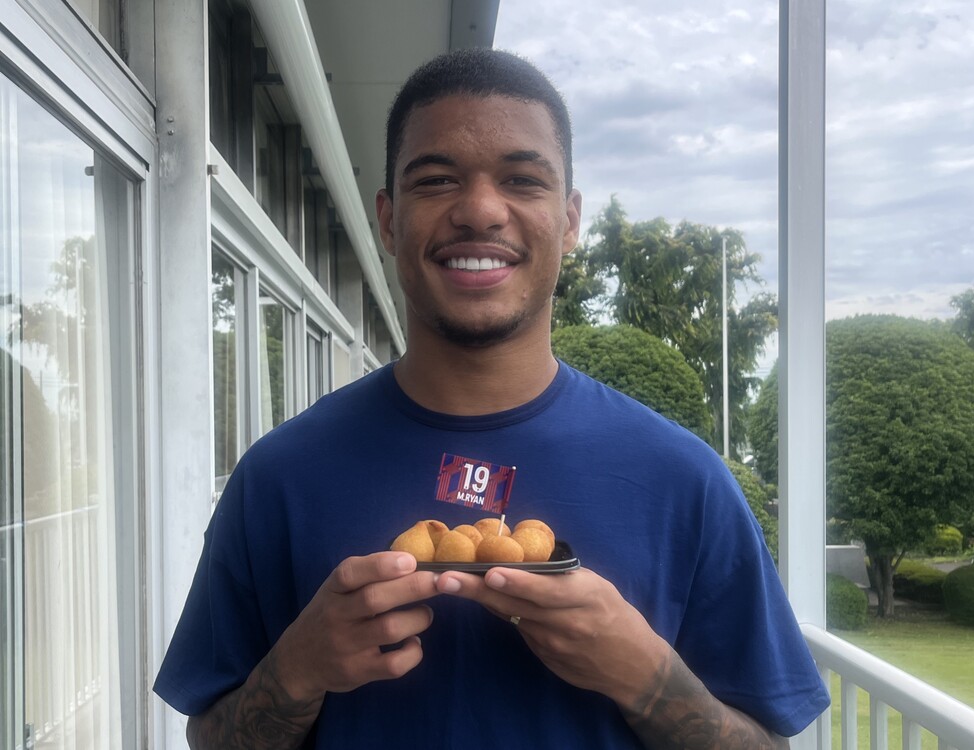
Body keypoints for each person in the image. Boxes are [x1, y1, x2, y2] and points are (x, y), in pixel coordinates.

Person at [154, 48, 829, 749]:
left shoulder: (684, 482)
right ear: (388, 220)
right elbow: (209, 738)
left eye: (522, 180)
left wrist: (646, 676)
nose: (479, 210)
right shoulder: (279, 477)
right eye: (436, 180)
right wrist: (299, 670)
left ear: (569, 220)